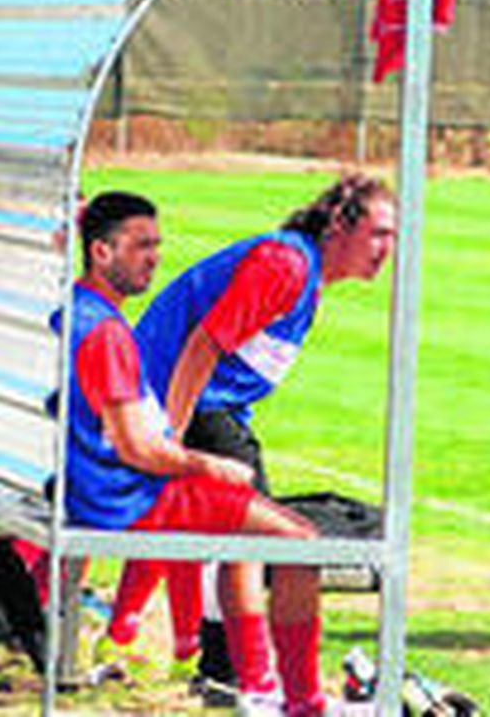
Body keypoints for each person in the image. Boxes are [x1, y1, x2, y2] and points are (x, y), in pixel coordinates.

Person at [105, 174, 396, 702]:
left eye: (392, 236)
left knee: (249, 535)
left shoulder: (304, 275)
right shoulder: (284, 265)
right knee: (278, 538)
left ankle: (231, 672)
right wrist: (169, 438)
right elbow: (201, 347)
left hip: (209, 409)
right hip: (183, 403)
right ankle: (261, 683)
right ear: (339, 224)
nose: (386, 249)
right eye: (377, 233)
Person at [58, 191, 333, 716]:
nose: (155, 258)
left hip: (88, 485)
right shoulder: (107, 333)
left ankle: (186, 651)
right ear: (101, 251)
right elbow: (137, 449)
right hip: (115, 497)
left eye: (156, 245)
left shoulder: (78, 311)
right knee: (294, 538)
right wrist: (204, 462)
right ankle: (280, 694)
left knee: (226, 507)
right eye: (142, 246)